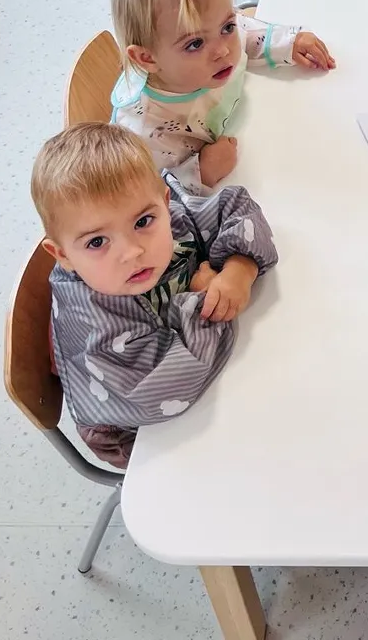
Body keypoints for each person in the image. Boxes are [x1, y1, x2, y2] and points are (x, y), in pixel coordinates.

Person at [33, 123, 279, 468]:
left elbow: (236, 207)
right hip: (135, 429)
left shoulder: (166, 216)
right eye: (97, 242)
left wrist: (240, 268)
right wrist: (201, 297)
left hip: (187, 359)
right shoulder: (93, 324)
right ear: (63, 256)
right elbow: (169, 385)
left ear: (164, 203)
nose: (132, 252)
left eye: (143, 222)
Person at [111, 0, 334, 194]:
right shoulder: (144, 131)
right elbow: (150, 200)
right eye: (195, 44)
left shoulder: (213, 36)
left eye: (226, 28)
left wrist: (289, 42)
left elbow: (244, 29)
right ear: (147, 58)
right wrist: (201, 173)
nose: (223, 51)